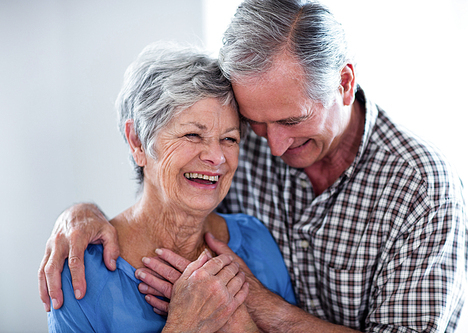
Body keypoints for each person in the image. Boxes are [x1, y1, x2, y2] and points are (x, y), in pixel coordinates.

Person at [39, 0, 468, 332]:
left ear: (343, 84)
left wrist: (253, 306)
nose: (275, 146)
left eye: (291, 121)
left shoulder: (421, 187)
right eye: (254, 126)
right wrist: (79, 213)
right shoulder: (83, 278)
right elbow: (169, 169)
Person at [45, 41, 296, 332]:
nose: (216, 157)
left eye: (229, 139)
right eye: (192, 134)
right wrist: (183, 325)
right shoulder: (79, 272)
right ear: (137, 141)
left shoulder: (257, 241)